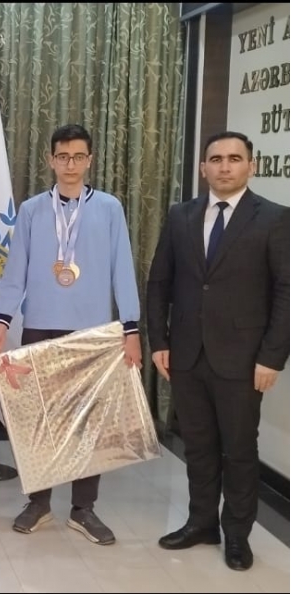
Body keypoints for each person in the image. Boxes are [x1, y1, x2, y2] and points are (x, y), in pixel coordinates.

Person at [0, 123, 142, 546]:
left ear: (90, 160)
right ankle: (38, 502)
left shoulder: (109, 208)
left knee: (87, 422)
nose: (70, 164)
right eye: (63, 156)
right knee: (40, 419)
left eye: (78, 157)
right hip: (41, 326)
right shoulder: (33, 209)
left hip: (92, 332)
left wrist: (130, 328)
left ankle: (83, 508)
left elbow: (122, 269)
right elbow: (15, 272)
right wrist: (1, 325)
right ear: (50, 160)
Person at [147, 131, 289, 571]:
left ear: (251, 166)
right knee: (199, 446)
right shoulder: (181, 215)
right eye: (216, 159)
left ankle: (238, 535)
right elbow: (160, 282)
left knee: (239, 450)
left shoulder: (275, 218)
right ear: (203, 167)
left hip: (244, 360)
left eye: (234, 158)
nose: (224, 166)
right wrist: (159, 342)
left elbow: (286, 292)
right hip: (187, 355)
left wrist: (272, 357)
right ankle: (201, 523)